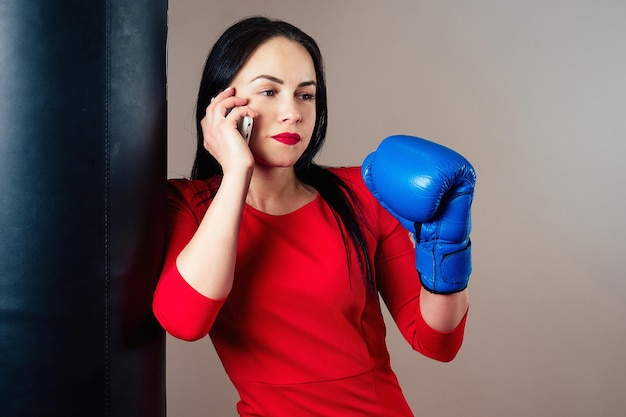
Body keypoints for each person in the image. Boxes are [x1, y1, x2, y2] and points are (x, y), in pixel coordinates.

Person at [153, 16, 475, 417]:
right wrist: (236, 172)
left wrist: (447, 250)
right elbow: (185, 321)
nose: (293, 113)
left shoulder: (363, 192)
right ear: (222, 104)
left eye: (306, 95)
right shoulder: (187, 205)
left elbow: (436, 343)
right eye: (269, 91)